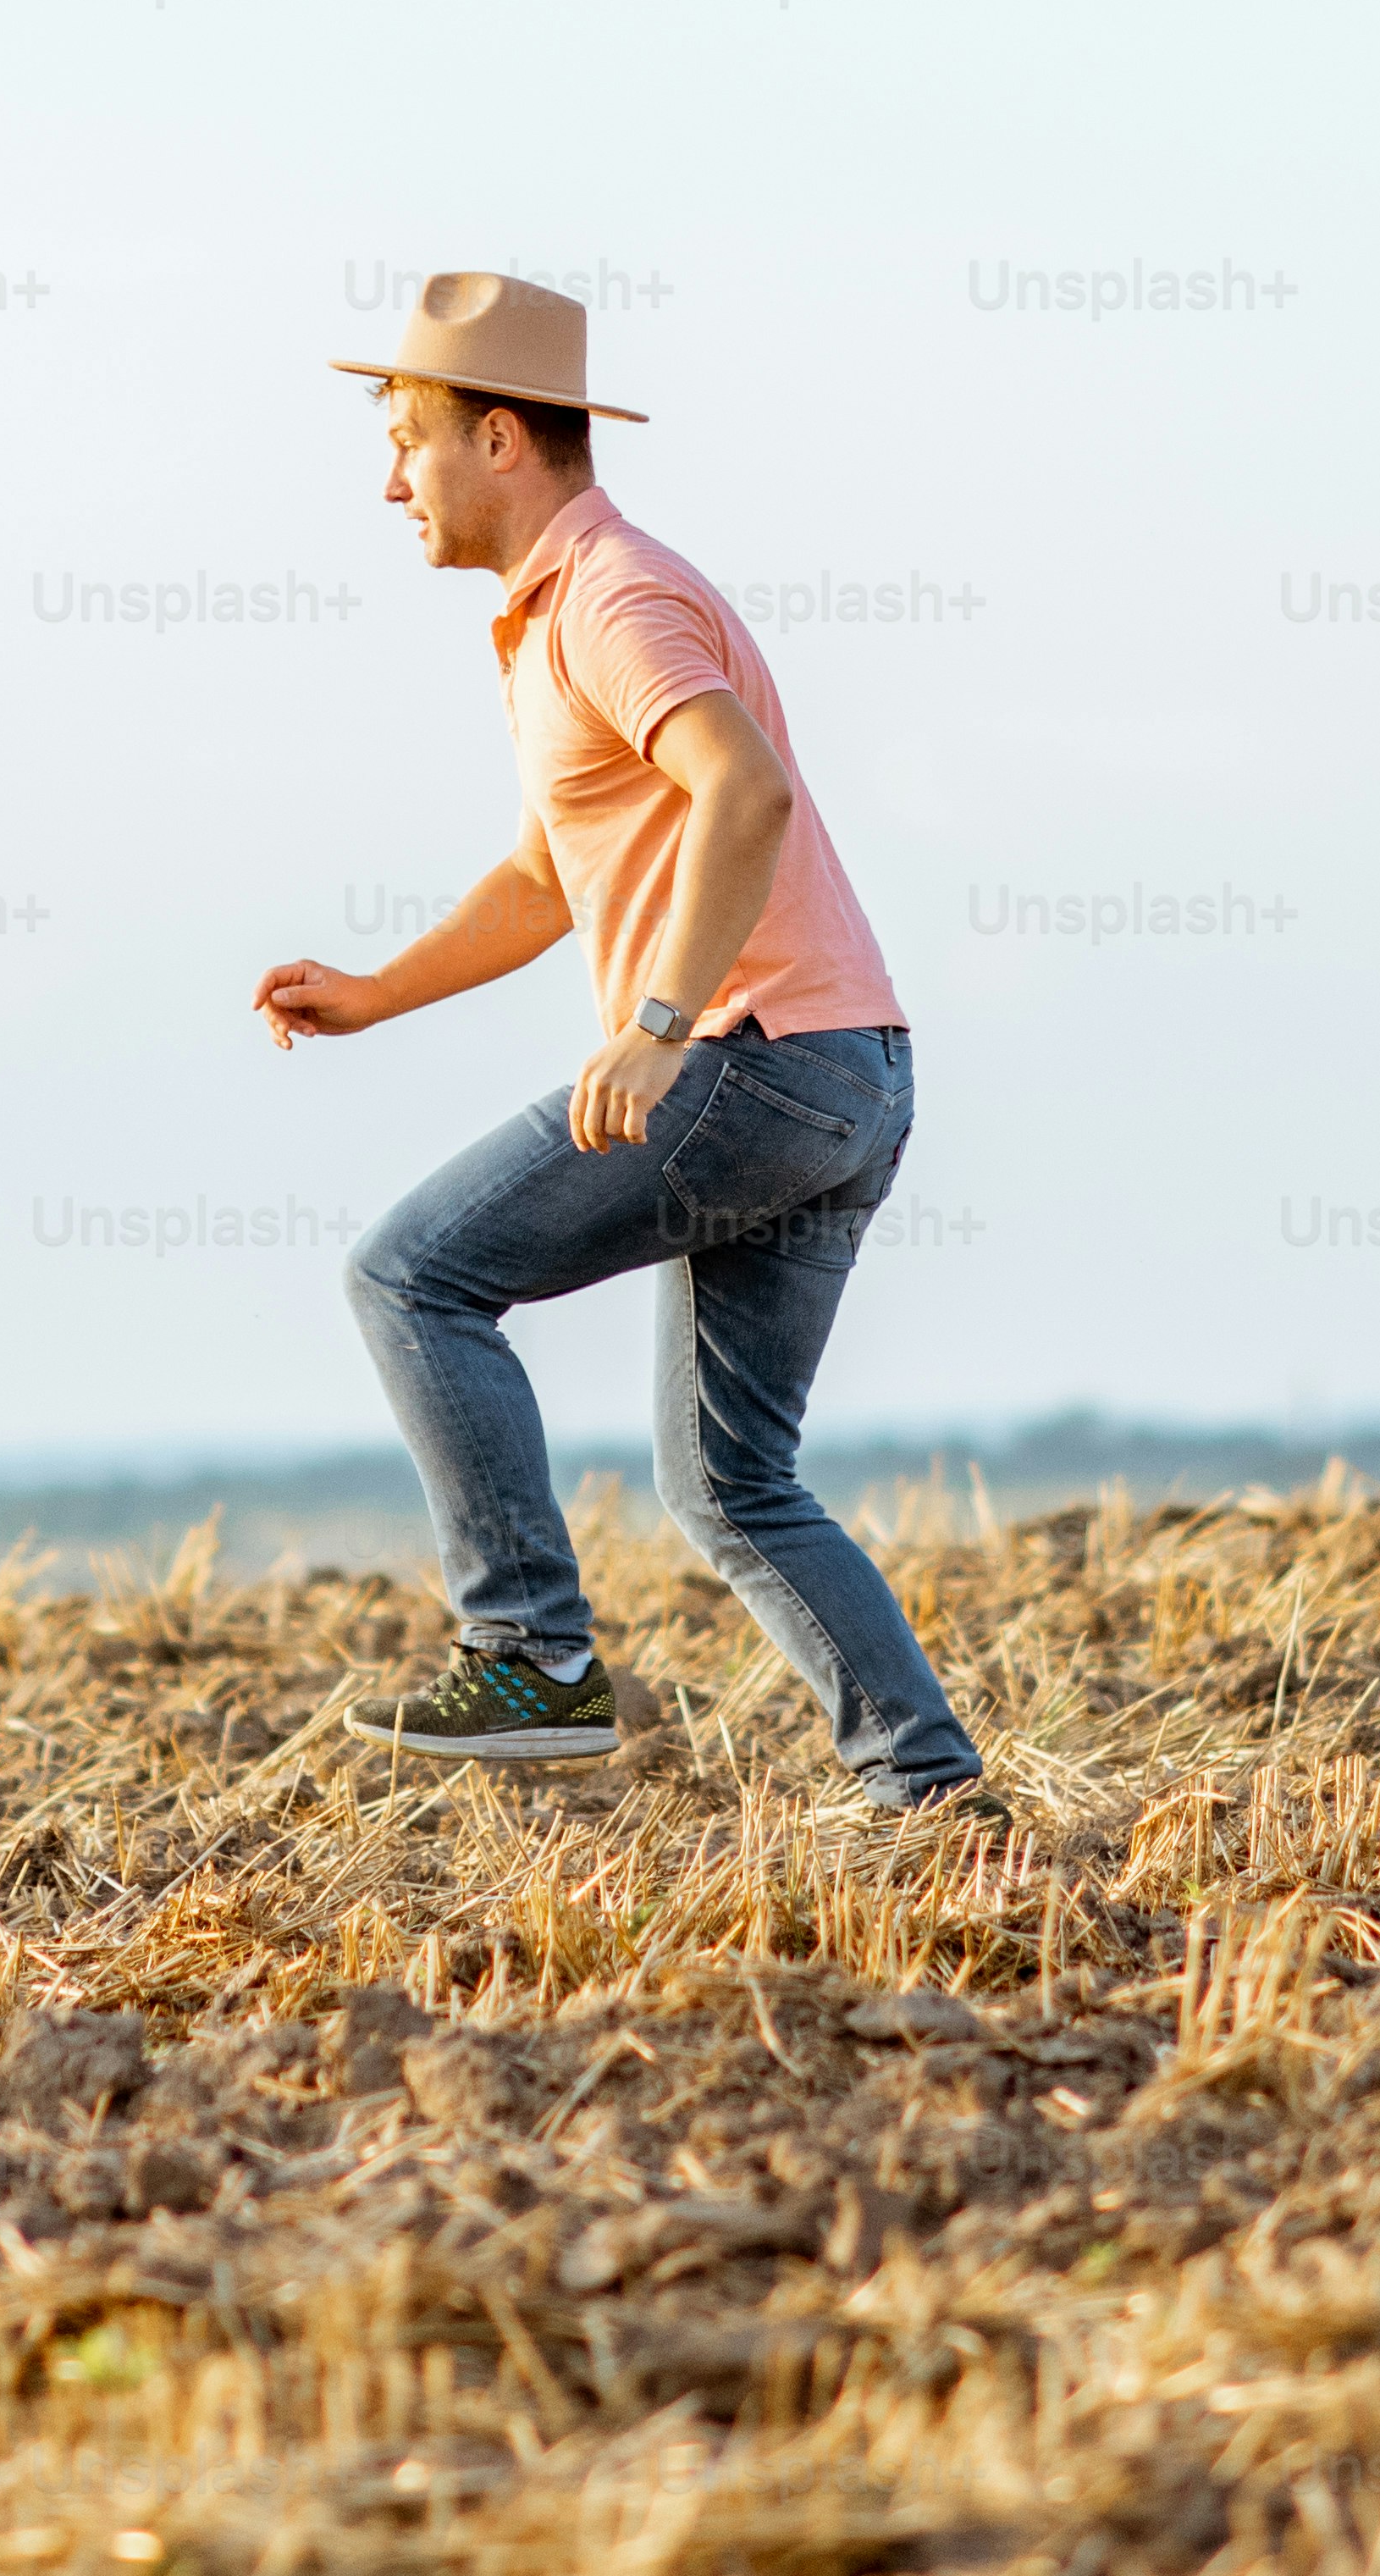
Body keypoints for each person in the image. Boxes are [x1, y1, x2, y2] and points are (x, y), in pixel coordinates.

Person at [254, 273, 994, 1815]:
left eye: (409, 441)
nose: (389, 480)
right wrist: (376, 991)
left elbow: (747, 794)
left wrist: (659, 1024)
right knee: (734, 1486)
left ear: (503, 436)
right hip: (851, 1069)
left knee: (411, 1274)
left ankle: (527, 1655)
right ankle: (936, 1801)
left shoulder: (610, 599)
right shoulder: (552, 619)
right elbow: (544, 876)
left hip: (754, 1058)